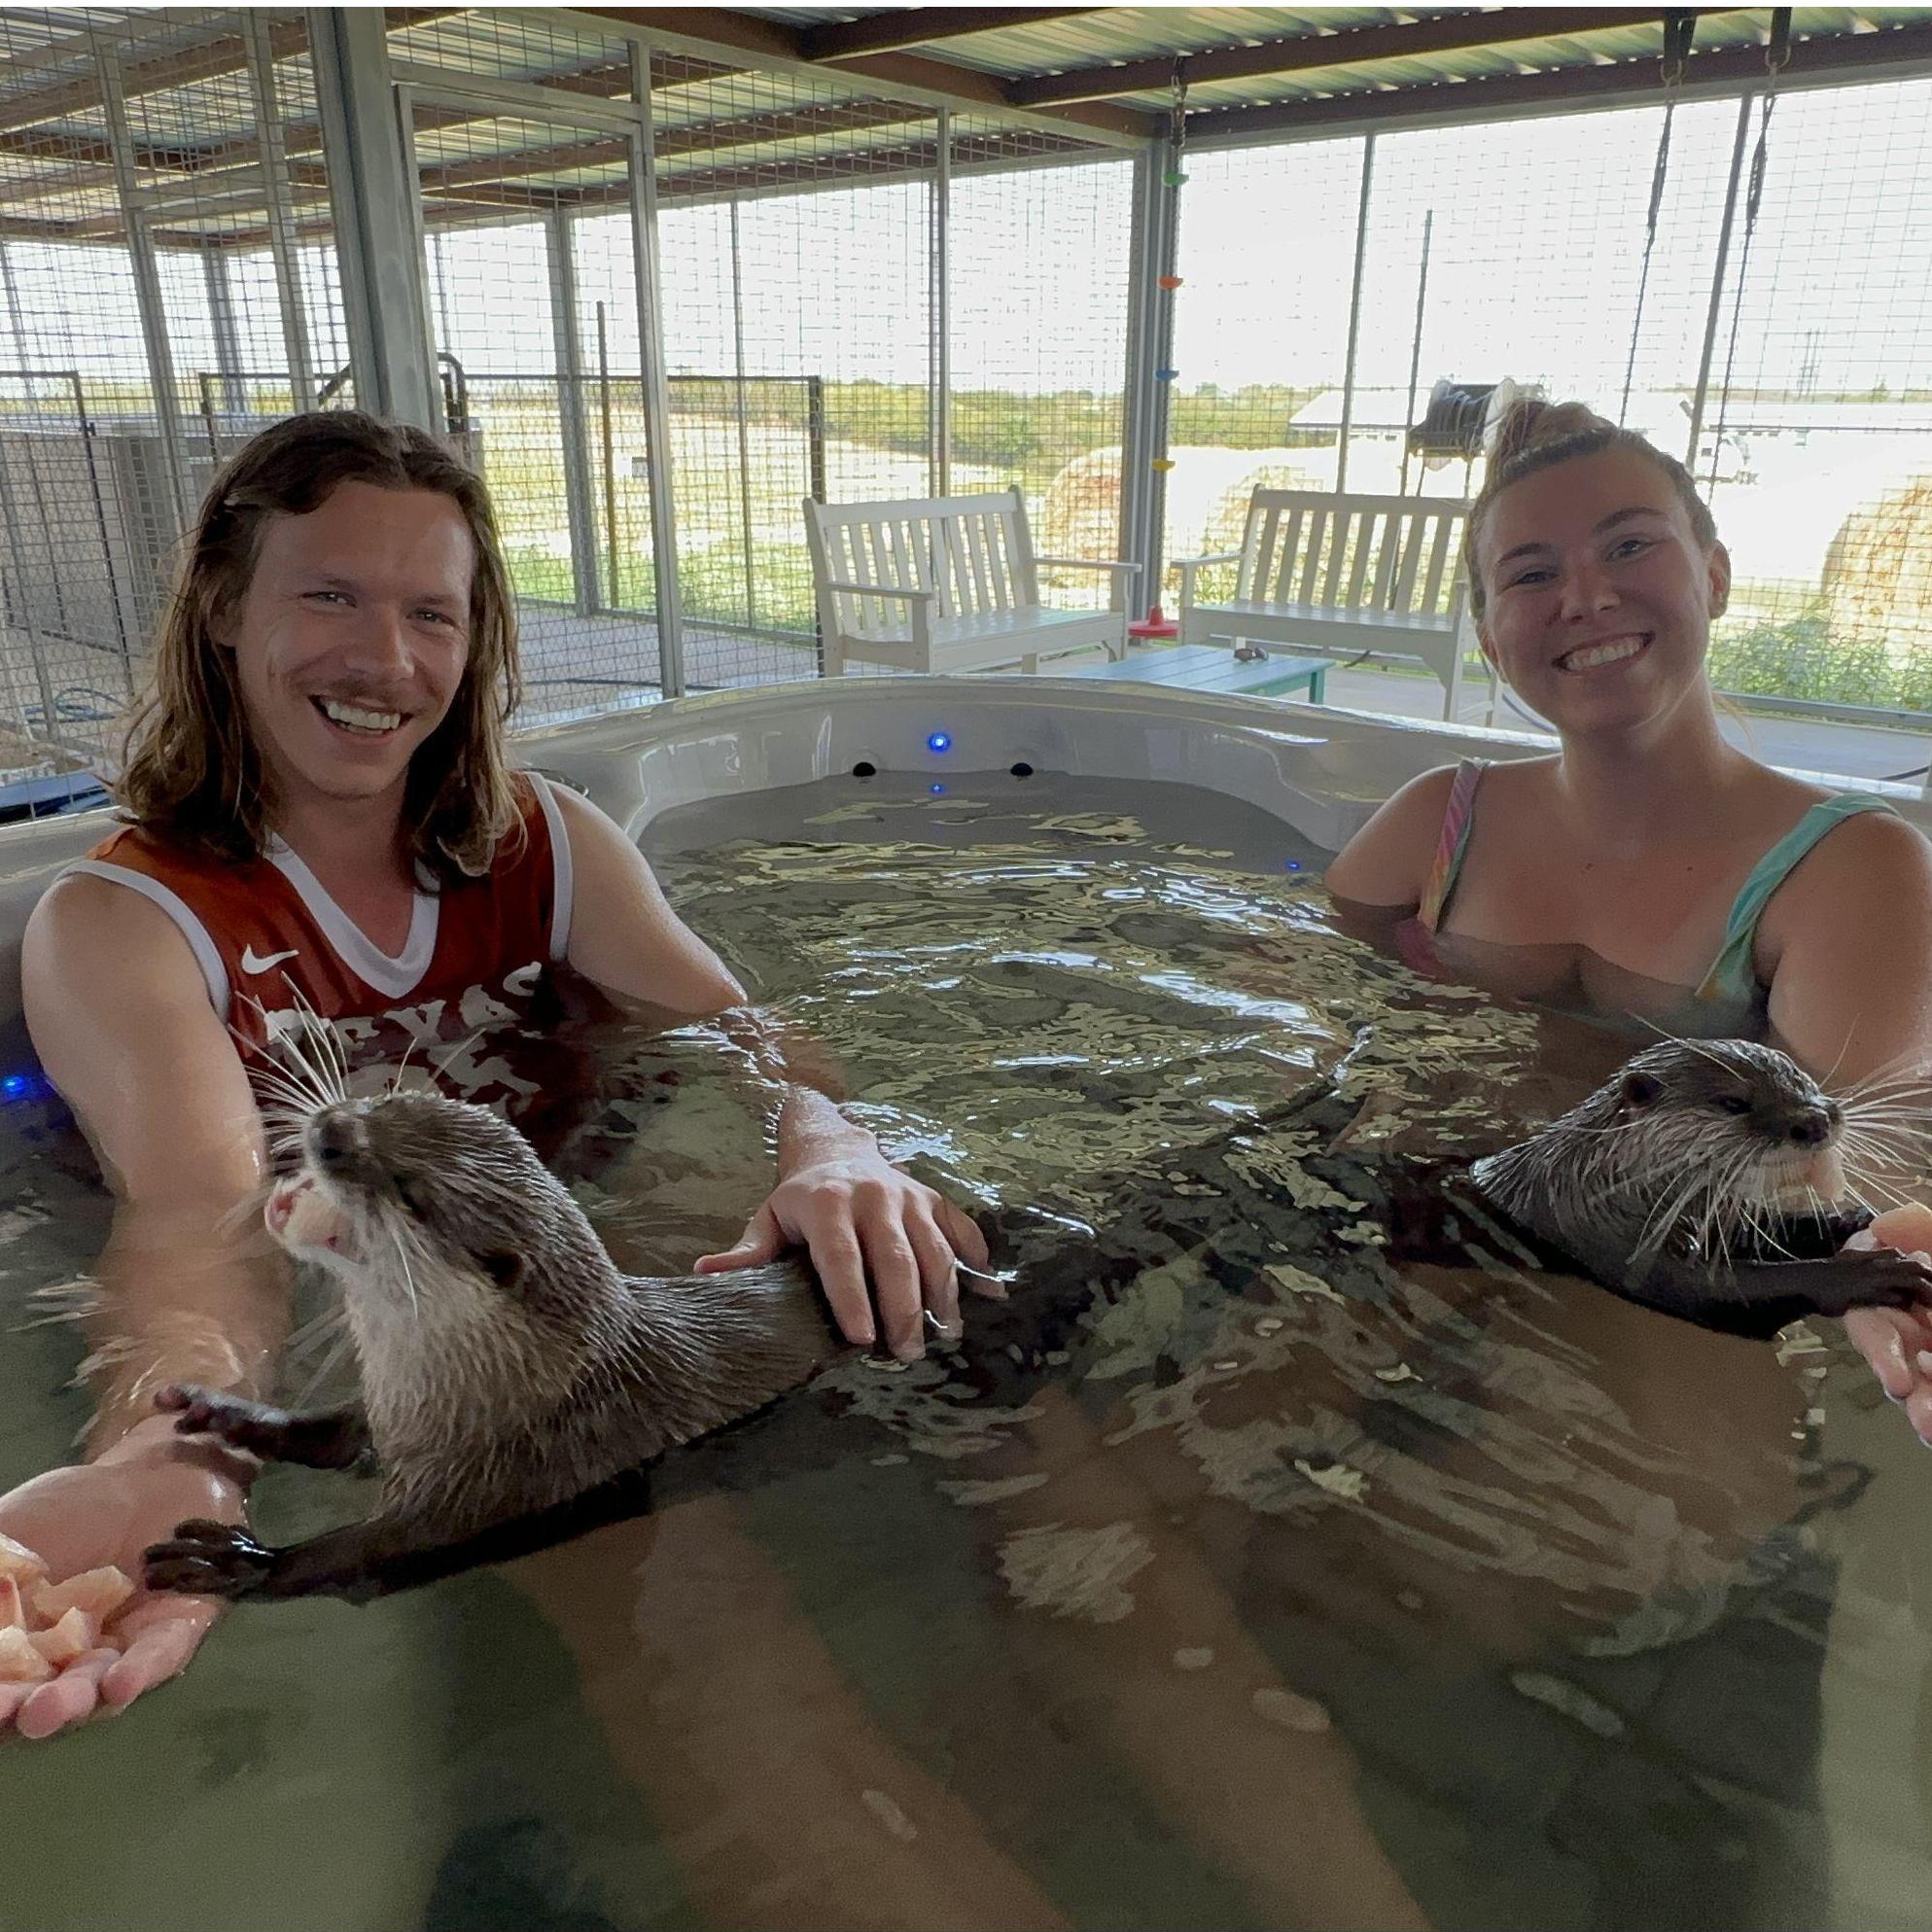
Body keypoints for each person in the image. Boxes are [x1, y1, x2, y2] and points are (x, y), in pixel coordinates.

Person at [0, 411, 988, 1739]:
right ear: (226, 608)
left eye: (432, 613)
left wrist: (827, 1139)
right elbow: (202, 1213)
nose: (386, 659)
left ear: (474, 646)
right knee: (701, 1642)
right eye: (332, 596)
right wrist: (179, 1443)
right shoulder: (128, 922)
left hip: (593, 1262)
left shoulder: (544, 841)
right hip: (416, 1322)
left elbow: (746, 1034)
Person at [1324, 397, 1932, 1429]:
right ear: (1487, 632)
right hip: (1416, 1226)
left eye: (1628, 545)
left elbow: (1849, 1167)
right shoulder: (1433, 822)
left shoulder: (1852, 868)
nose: (1587, 595)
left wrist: (1876, 1281)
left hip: (1676, 1273)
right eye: (1530, 573)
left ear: (1716, 573)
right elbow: (1288, 1016)